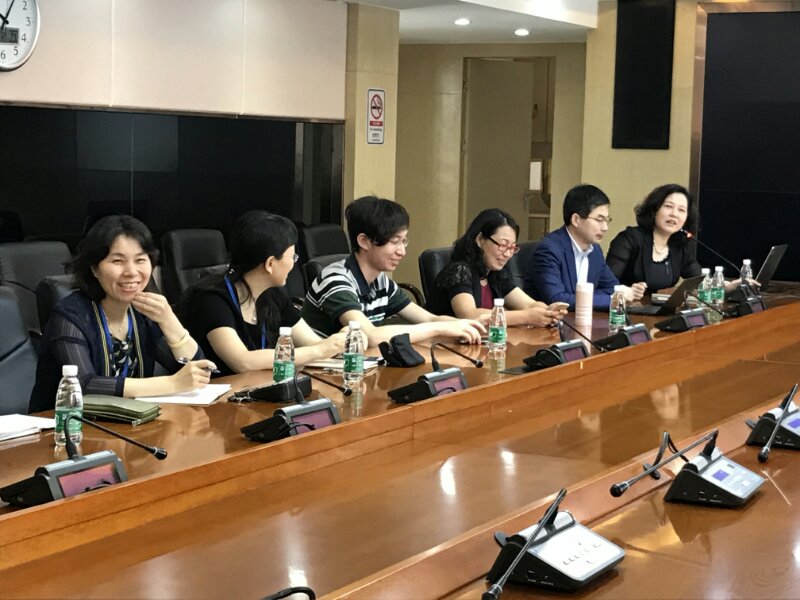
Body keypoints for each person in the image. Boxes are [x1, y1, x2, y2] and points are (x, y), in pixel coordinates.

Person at [30, 216, 213, 412]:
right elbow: (84, 385)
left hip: (130, 422)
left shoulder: (143, 312)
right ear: (94, 268)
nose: (131, 271)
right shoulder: (70, 315)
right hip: (64, 425)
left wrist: (169, 321)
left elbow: (197, 371)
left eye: (140, 260)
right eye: (118, 261)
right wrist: (173, 383)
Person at [180, 211, 351, 377]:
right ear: (270, 263)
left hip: (259, 388)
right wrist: (320, 350)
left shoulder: (273, 295)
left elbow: (313, 344)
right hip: (218, 393)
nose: (293, 265)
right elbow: (242, 361)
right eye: (292, 257)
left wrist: (341, 341)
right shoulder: (212, 300)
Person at [302, 196, 485, 345]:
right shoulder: (335, 279)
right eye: (394, 242)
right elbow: (370, 335)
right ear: (364, 241)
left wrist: (471, 326)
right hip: (322, 373)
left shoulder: (381, 281)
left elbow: (428, 319)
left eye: (404, 241)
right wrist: (439, 329)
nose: (402, 251)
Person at [426, 208, 567, 326]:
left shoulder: (495, 272)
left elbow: (528, 305)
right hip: (444, 345)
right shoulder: (459, 271)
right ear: (480, 240)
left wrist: (548, 311)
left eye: (512, 247)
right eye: (502, 245)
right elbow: (470, 314)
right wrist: (526, 317)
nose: (507, 254)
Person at [527, 184, 645, 310]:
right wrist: (613, 299)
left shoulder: (595, 250)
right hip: (552, 320)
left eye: (607, 220)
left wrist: (620, 293)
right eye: (599, 220)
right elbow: (557, 299)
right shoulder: (549, 250)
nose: (605, 227)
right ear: (576, 220)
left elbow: (611, 288)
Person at [606, 184, 701, 290]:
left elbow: (700, 280)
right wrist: (628, 290)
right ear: (654, 209)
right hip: (628, 300)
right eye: (668, 206)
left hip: (663, 302)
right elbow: (606, 284)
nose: (674, 214)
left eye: (681, 210)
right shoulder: (630, 239)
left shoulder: (678, 247)